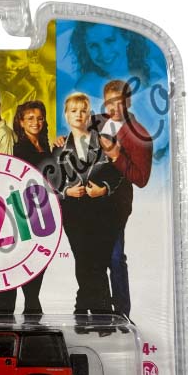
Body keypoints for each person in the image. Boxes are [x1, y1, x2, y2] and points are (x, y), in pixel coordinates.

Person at [53, 93, 122, 324]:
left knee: (99, 262)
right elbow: (50, 183)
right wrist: (66, 191)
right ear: (66, 115)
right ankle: (98, 313)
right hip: (74, 214)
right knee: (83, 260)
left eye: (83, 111)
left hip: (102, 212)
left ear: (89, 115)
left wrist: (103, 189)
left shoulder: (103, 142)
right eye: (73, 111)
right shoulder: (59, 147)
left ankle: (85, 310)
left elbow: (117, 173)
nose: (78, 115)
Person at [91, 80, 153, 318]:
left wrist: (117, 155)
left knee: (115, 258)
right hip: (89, 202)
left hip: (115, 206)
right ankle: (100, 312)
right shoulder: (97, 121)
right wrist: (62, 140)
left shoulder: (140, 135)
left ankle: (121, 315)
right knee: (94, 259)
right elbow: (77, 142)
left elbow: (141, 178)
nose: (114, 108)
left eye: (119, 102)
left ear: (128, 102)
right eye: (109, 102)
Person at [12, 100, 53, 321]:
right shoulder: (20, 147)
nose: (36, 122)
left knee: (40, 255)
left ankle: (32, 301)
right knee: (29, 254)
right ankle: (31, 302)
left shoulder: (44, 144)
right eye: (30, 118)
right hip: (27, 207)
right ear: (21, 122)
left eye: (39, 118)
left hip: (44, 206)